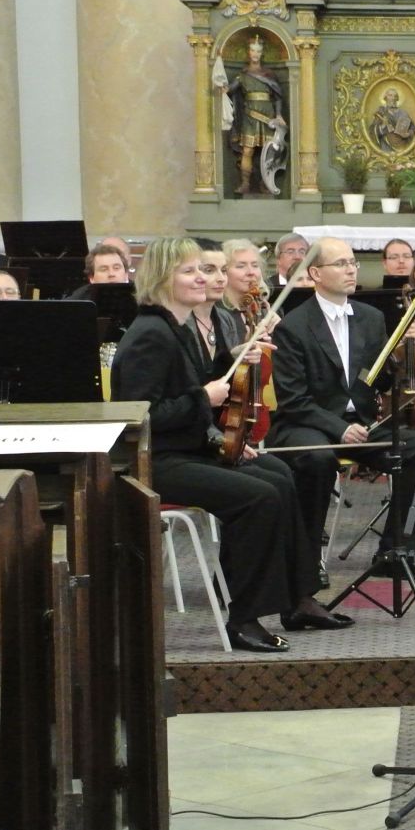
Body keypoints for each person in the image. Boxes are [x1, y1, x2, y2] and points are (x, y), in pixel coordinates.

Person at [110, 237, 348, 652]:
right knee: (257, 496)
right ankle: (245, 618)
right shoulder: (151, 333)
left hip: (187, 448)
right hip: (156, 460)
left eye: (201, 270)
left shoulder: (177, 326)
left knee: (280, 474)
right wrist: (205, 398)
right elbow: (143, 415)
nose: (202, 278)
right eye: (189, 271)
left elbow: (192, 385)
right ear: (162, 278)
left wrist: (231, 361)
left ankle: (298, 598)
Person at [266, 238, 415, 583]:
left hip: (360, 422)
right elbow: (293, 400)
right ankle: (307, 562)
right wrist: (338, 428)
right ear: (316, 273)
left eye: (353, 263)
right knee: (317, 459)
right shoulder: (293, 326)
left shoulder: (370, 318)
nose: (350, 270)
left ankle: (396, 552)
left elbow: (376, 379)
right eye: (340, 264)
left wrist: (404, 348)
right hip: (306, 423)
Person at [227, 35, 287, 195]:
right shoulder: (243, 75)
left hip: (268, 116)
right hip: (249, 117)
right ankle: (245, 184)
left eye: (258, 51)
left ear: (262, 53)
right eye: (253, 50)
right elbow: (229, 90)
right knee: (248, 151)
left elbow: (278, 96)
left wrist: (279, 115)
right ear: (249, 52)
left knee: (269, 151)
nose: (255, 54)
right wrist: (219, 82)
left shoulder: (269, 74)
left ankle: (266, 183)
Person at [66, 245, 132, 300]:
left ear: (126, 274)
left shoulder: (137, 296)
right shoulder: (77, 301)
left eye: (116, 268)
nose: (111, 274)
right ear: (91, 278)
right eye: (104, 269)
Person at [371, 87, 415, 155]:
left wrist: (408, 134)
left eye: (395, 96)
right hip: (386, 147)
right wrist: (383, 126)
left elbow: (413, 128)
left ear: (397, 99)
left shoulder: (403, 113)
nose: (393, 98)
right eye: (390, 95)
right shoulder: (381, 112)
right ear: (385, 98)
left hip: (403, 147)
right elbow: (372, 131)